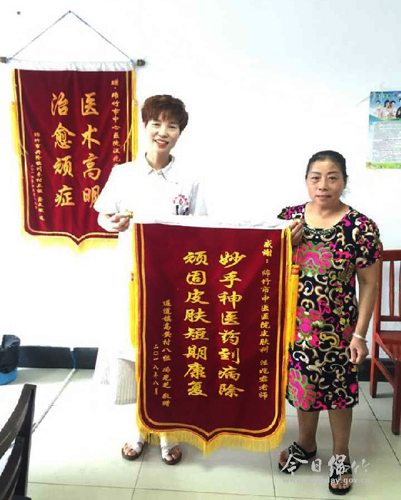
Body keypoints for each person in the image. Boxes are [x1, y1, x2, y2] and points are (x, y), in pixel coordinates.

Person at [94, 94, 207, 465]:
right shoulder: (123, 174)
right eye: (156, 123)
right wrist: (112, 223)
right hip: (131, 279)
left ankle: (168, 433)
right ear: (145, 126)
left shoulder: (189, 179)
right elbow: (102, 215)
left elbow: (201, 228)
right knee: (135, 354)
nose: (163, 131)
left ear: (180, 133)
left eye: (171, 126)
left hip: (173, 281)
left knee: (168, 354)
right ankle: (138, 430)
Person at [277, 151, 381, 495]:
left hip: (341, 329)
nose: (323, 185)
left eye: (332, 177)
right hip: (296, 327)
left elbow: (368, 283)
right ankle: (306, 445)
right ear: (306, 181)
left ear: (344, 182)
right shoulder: (288, 220)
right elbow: (265, 269)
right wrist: (284, 246)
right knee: (303, 388)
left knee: (338, 394)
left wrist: (360, 334)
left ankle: (340, 455)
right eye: (316, 177)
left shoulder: (361, 227)